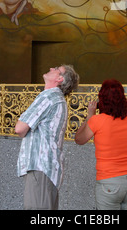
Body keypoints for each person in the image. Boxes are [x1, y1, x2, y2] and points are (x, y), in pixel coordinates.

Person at [15, 64, 79, 210]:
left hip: (40, 166)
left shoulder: (49, 96)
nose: (51, 68)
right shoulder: (58, 99)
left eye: (56, 68)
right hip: (48, 168)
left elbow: (19, 128)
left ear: (59, 78)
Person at [75, 79, 127, 210]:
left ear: (101, 99)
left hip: (109, 181)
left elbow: (79, 139)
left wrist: (90, 115)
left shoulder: (97, 121)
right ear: (123, 97)